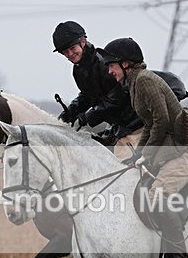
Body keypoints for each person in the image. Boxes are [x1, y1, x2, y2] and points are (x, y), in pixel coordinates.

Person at [98, 37, 188, 258]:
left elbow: (162, 121)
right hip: (169, 143)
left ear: (125, 64)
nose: (109, 70)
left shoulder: (144, 81)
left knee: (158, 195)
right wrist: (139, 156)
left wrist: (145, 155)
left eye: (111, 65)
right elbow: (149, 125)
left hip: (184, 146)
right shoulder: (134, 83)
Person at [51, 21, 143, 157]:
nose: (70, 54)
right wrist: (69, 113)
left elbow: (117, 98)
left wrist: (88, 117)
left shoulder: (103, 63)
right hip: (117, 125)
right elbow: (87, 96)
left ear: (83, 41)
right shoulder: (78, 69)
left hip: (134, 123)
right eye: (65, 52)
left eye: (72, 48)